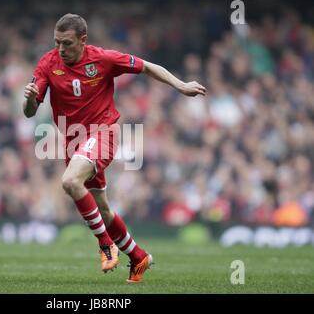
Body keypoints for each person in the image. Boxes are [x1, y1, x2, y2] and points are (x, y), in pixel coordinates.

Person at [23, 14, 206, 283]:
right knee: (103, 210)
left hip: (103, 133)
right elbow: (30, 112)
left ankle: (105, 245)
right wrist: (28, 100)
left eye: (67, 42)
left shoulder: (103, 59)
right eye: (57, 42)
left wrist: (180, 85)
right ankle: (139, 257)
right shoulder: (48, 63)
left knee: (71, 181)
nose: (61, 48)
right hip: (73, 142)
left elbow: (146, 66)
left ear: (83, 40)